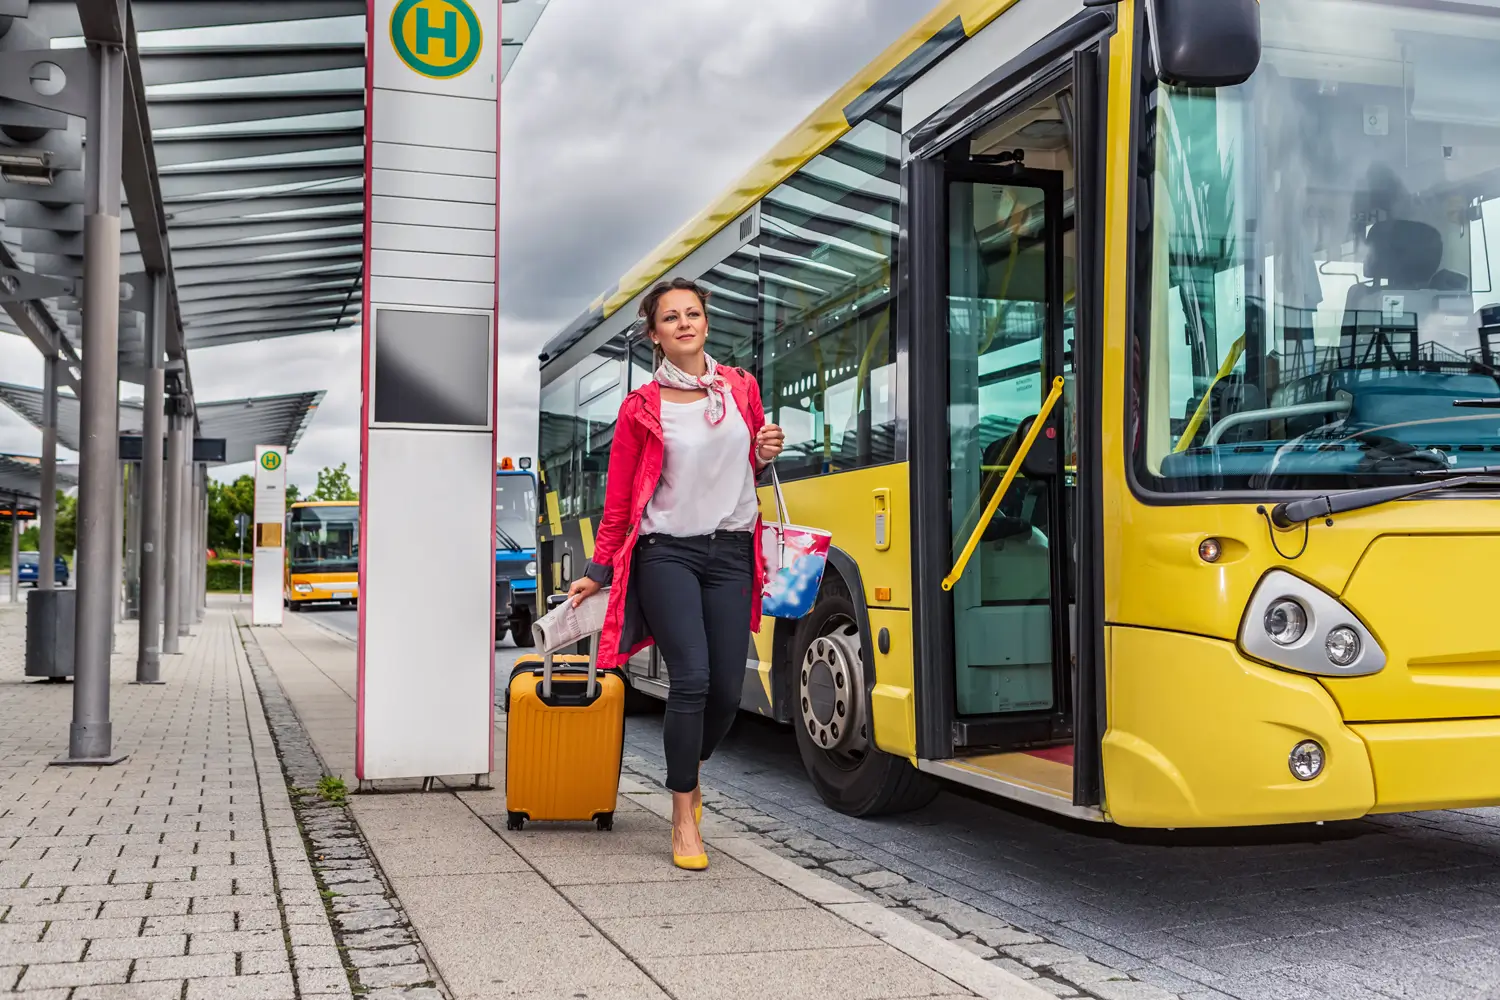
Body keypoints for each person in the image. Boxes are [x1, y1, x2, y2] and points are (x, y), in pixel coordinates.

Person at [566, 276, 785, 870]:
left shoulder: (740, 388)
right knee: (689, 679)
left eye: (693, 314)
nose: (685, 323)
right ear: (656, 335)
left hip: (732, 551)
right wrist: (598, 570)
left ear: (707, 324)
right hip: (668, 553)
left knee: (724, 691)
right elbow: (619, 504)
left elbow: (753, 473)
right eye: (671, 317)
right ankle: (684, 813)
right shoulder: (640, 409)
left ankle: (690, 767)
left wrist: (764, 454)